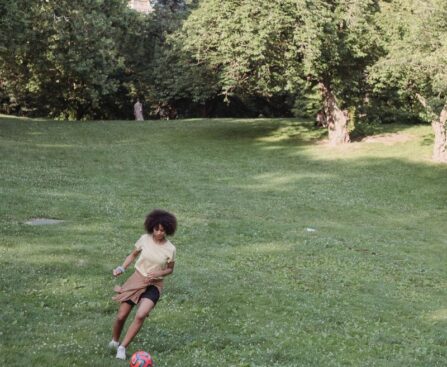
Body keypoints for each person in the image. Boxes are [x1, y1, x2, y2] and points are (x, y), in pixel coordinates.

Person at [109, 209, 177, 360]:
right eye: (157, 229)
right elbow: (133, 254)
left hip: (154, 285)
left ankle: (122, 347)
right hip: (136, 279)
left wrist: (160, 273)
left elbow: (170, 269)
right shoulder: (144, 239)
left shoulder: (170, 249)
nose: (159, 233)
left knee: (141, 315)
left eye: (163, 230)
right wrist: (121, 268)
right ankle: (114, 341)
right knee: (121, 316)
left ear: (167, 230)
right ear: (152, 227)